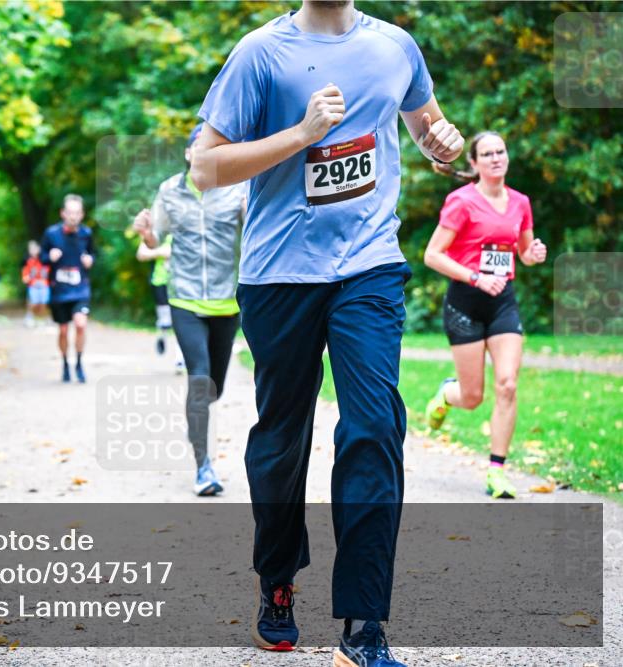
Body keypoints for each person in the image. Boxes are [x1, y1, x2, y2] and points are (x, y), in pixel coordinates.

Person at [190, 1, 464, 663]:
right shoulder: (260, 53)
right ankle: (277, 580)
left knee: (373, 426)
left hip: (369, 268)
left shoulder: (396, 46)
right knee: (283, 437)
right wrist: (302, 132)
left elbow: (426, 126)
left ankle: (364, 625)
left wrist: (440, 143)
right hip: (279, 274)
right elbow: (205, 166)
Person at [423, 131, 547, 500]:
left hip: (502, 301)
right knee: (473, 396)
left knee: (507, 384)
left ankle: (497, 471)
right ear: (474, 164)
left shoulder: (521, 203)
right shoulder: (461, 202)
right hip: (465, 302)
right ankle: (447, 394)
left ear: (507, 158)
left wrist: (533, 254)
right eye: (487, 154)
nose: (496, 158)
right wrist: (476, 276)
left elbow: (523, 252)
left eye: (501, 151)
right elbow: (433, 255)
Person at [132, 123, 246, 497]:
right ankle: (204, 467)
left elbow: (254, 238)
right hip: (184, 298)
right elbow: (155, 238)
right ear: (187, 154)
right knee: (199, 379)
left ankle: (195, 418)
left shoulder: (236, 188)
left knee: (215, 388)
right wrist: (145, 230)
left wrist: (250, 213)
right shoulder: (169, 190)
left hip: (226, 301)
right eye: (199, 146)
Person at [40, 194, 95, 383]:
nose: (73, 216)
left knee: (81, 324)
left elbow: (93, 254)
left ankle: (79, 363)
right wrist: (50, 257)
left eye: (77, 212)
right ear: (63, 213)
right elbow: (41, 257)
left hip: (80, 288)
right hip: (59, 290)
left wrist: (90, 260)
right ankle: (65, 363)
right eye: (70, 212)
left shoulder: (86, 234)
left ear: (82, 214)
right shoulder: (51, 234)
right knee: (63, 330)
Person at [135, 234, 185, 372]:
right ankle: (162, 332)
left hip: (181, 283)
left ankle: (180, 358)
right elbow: (141, 254)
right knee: (166, 320)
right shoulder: (157, 232)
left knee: (181, 321)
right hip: (160, 282)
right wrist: (163, 252)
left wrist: (166, 252)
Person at [21, 240, 50, 327]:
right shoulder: (28, 261)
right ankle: (30, 317)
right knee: (33, 303)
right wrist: (26, 278)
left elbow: (49, 271)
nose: (33, 251)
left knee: (43, 303)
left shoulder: (45, 260)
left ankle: (41, 319)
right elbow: (25, 273)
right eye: (31, 249)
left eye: (35, 248)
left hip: (44, 285)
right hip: (33, 285)